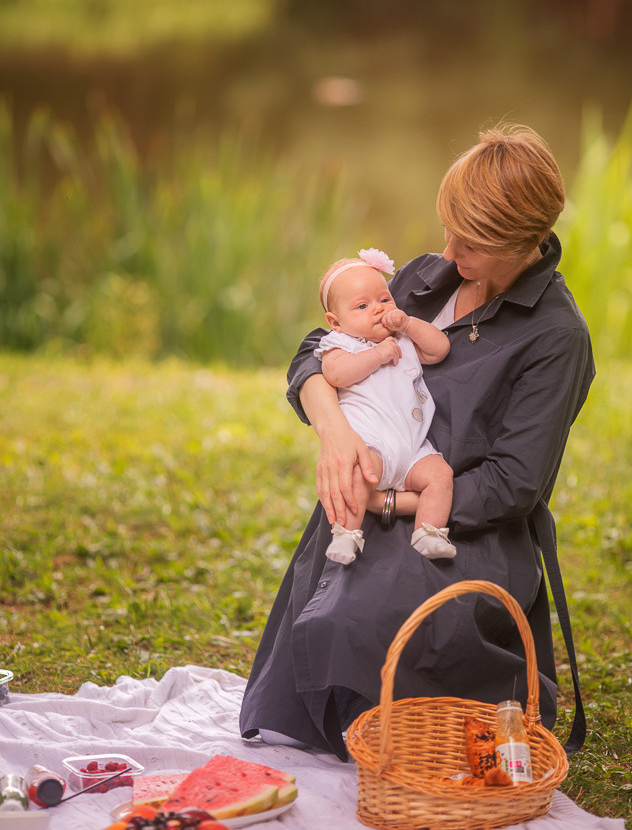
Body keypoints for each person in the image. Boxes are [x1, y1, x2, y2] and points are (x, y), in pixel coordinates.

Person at [239, 124, 595, 761]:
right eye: (448, 226)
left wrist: (389, 503)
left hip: (461, 527)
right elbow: (313, 356)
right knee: (329, 621)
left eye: (471, 240)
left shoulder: (555, 337)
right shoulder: (428, 280)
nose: (448, 247)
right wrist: (334, 433)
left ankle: (404, 733)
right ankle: (356, 727)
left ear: (522, 240)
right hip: (372, 488)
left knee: (356, 623)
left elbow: (512, 484)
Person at [316, 247, 456, 565]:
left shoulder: (402, 340)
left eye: (384, 299)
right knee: (357, 477)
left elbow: (439, 350)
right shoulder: (340, 345)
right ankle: (346, 534)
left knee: (440, 475)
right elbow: (335, 374)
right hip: (372, 444)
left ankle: (429, 532)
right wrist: (378, 355)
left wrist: (408, 325)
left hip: (413, 447)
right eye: (362, 306)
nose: (378, 310)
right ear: (335, 322)